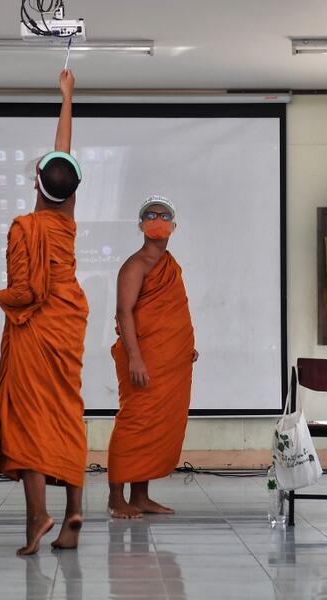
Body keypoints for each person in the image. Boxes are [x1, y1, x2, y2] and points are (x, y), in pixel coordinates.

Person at [0, 68, 88, 555]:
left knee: (29, 418)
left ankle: (38, 516)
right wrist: (67, 98)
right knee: (66, 412)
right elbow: (64, 155)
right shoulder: (65, 219)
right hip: (68, 322)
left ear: (36, 185)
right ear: (71, 190)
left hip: (36, 328)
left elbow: (24, 292)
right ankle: (74, 511)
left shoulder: (26, 225)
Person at [107, 196, 198, 518]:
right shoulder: (135, 265)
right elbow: (124, 312)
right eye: (151, 215)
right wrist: (135, 358)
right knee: (134, 423)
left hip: (169, 359)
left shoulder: (170, 266)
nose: (158, 220)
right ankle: (116, 498)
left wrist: (182, 345)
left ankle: (140, 496)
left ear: (174, 227)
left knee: (154, 427)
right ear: (141, 225)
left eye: (164, 216)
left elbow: (169, 313)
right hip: (142, 359)